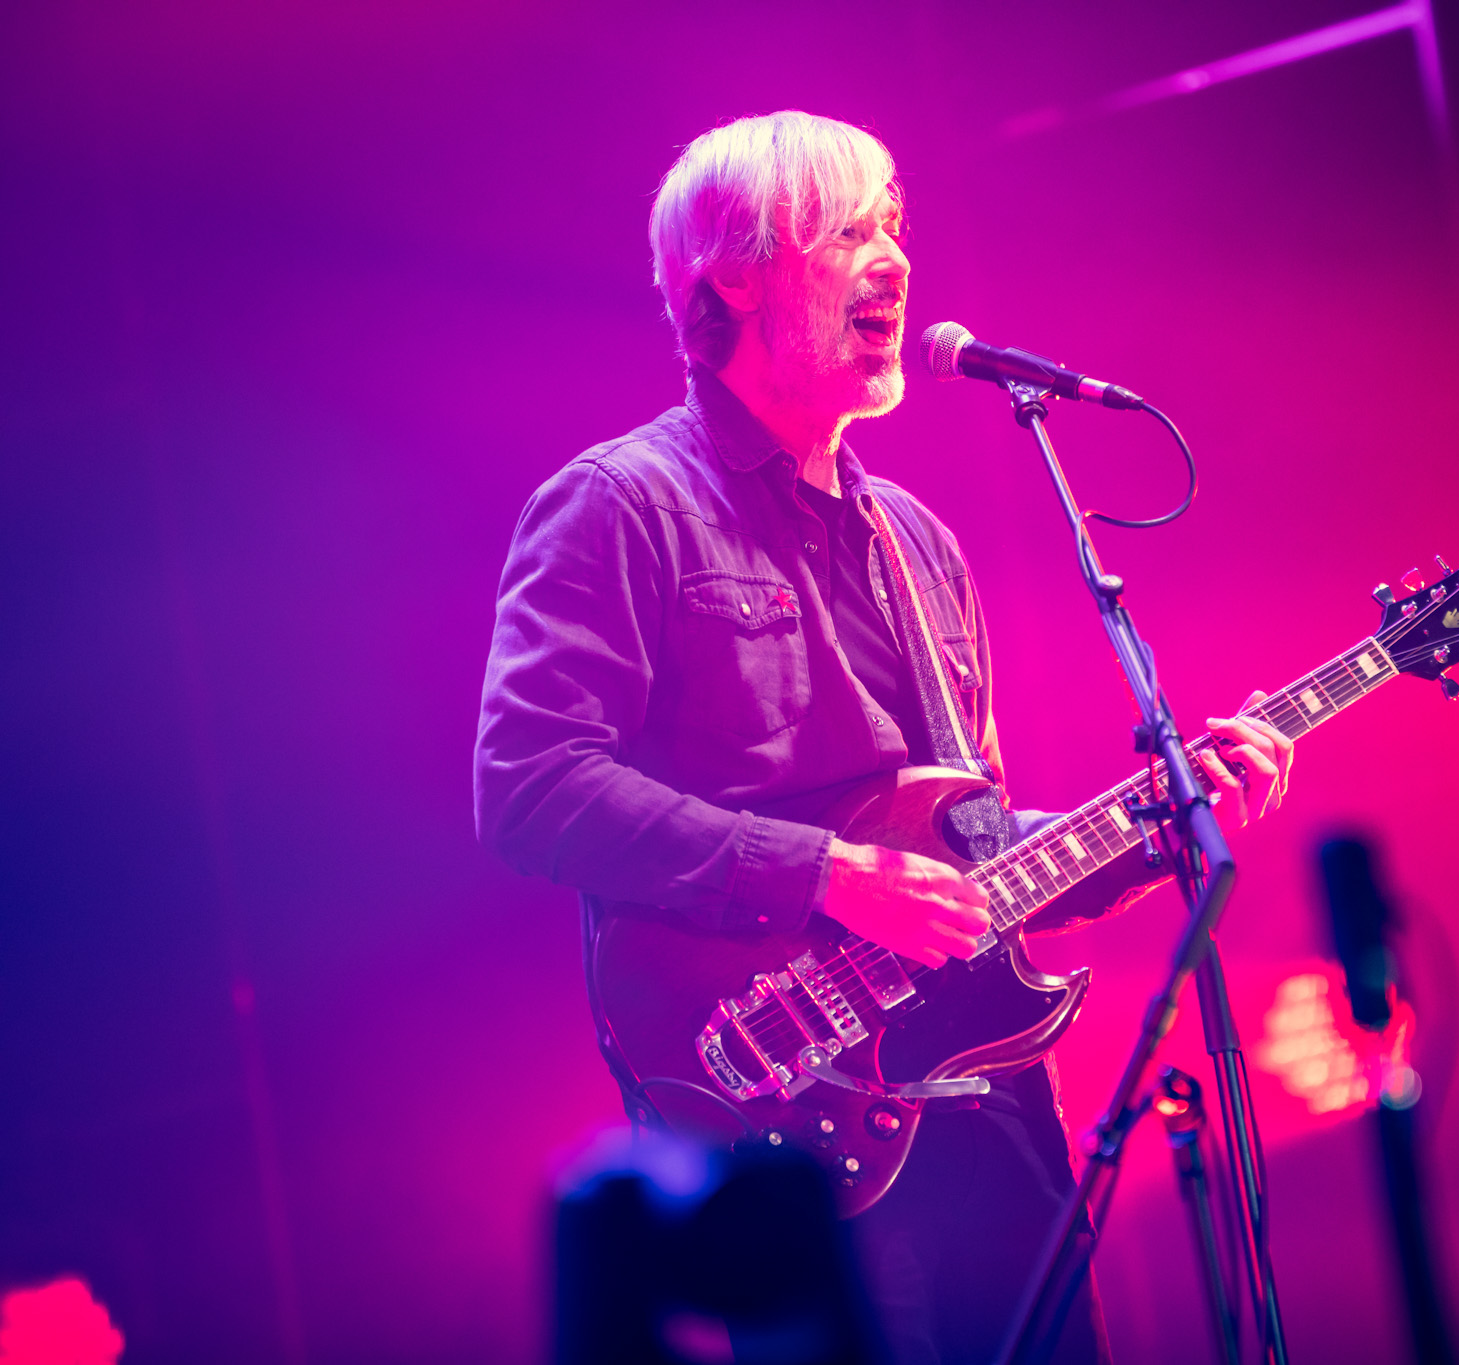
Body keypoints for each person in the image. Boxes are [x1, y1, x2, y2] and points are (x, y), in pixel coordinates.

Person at [474, 110, 1293, 1364]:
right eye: (847, 231)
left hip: (988, 1100)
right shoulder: (620, 505)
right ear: (731, 279)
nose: (895, 261)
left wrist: (1164, 821)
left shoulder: (918, 539)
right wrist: (826, 875)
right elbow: (531, 787)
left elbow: (972, 850)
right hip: (783, 1109)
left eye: (894, 228)